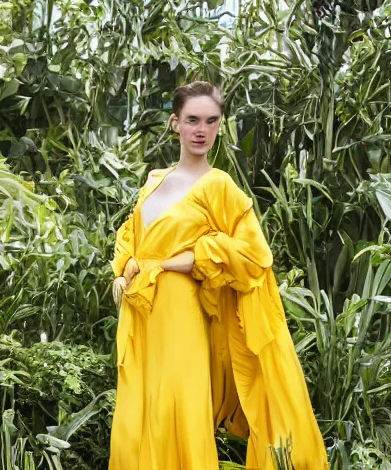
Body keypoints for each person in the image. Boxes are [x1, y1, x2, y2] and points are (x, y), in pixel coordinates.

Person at [108, 81, 329, 470]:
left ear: (220, 127)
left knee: (178, 405)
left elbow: (253, 255)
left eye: (211, 121)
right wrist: (122, 271)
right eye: (192, 120)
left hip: (179, 309)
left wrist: (181, 261)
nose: (201, 129)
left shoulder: (218, 185)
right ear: (174, 123)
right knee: (135, 416)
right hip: (138, 309)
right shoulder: (155, 180)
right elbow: (132, 237)